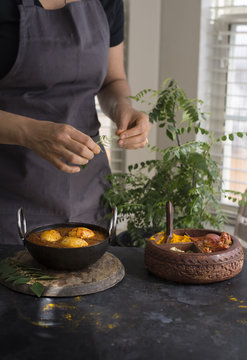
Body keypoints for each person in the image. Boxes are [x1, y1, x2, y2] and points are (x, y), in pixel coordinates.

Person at [0, 0, 151, 244]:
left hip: (90, 193)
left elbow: (113, 81)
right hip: (9, 199)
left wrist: (123, 107)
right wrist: (29, 132)